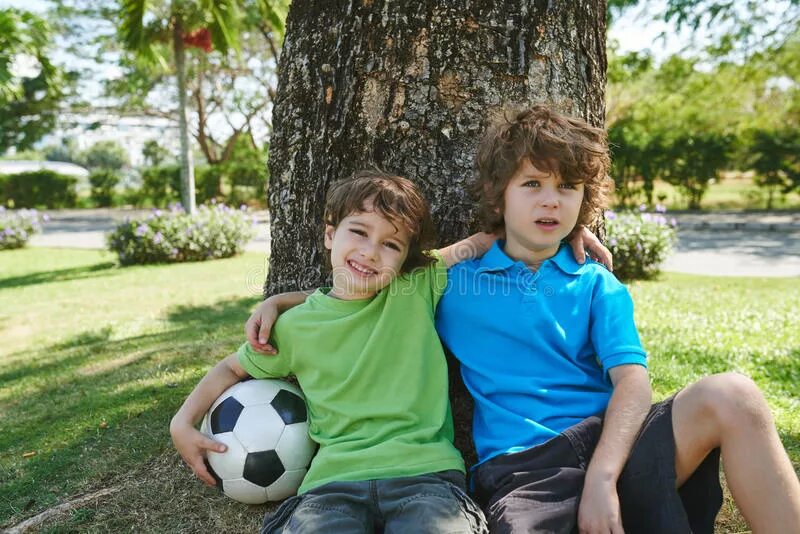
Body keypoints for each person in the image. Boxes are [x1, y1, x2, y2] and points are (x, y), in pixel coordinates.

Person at [433, 105, 800, 534]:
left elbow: (632, 381)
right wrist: (477, 243)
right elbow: (370, 281)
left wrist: (603, 477)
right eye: (532, 184)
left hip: (617, 446)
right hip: (528, 470)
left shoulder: (596, 284)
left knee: (732, 394)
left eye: (567, 187)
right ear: (499, 194)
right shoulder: (456, 286)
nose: (551, 200)